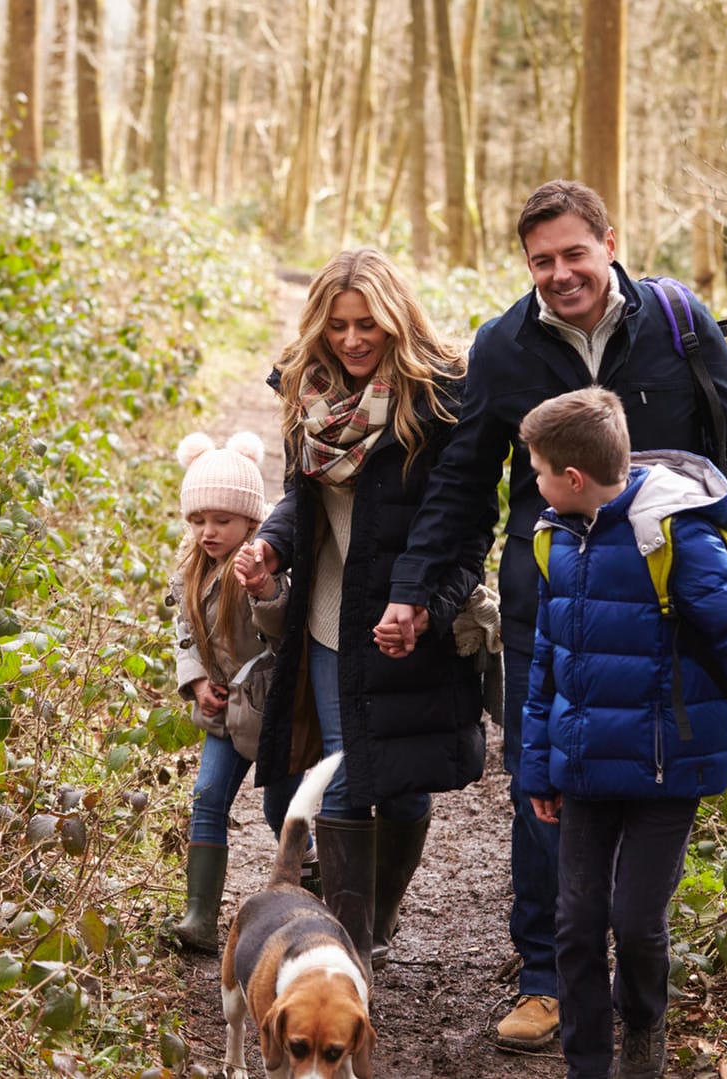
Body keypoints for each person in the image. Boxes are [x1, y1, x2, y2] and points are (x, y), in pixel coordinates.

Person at [371, 179, 727, 1049]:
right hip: (547, 606)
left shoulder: (678, 325)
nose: (560, 275)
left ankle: (639, 975)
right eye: (541, 262)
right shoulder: (505, 346)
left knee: (655, 774)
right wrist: (415, 585)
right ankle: (547, 980)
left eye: (574, 255)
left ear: (609, 243)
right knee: (542, 782)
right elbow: (462, 484)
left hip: (668, 608)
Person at [516, 387, 727, 1079]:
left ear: (574, 477)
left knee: (636, 917)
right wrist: (538, 768)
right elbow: (546, 667)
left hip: (665, 766)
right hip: (586, 768)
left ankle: (645, 1027)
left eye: (536, 469)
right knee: (576, 923)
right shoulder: (556, 536)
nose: (534, 482)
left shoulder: (677, 538)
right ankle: (587, 1063)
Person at [232, 247, 489, 968]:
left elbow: (467, 530)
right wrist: (272, 549)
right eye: (338, 325)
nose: (351, 340)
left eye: (367, 324)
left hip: (408, 620)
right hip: (325, 618)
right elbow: (299, 499)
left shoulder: (439, 400)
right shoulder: (305, 394)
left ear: (395, 321)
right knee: (340, 775)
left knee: (402, 783)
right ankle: (348, 948)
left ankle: (378, 912)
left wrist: (428, 608)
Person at [166, 431, 305, 953]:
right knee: (207, 796)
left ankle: (308, 883)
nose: (208, 531)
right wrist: (197, 680)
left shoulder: (261, 564)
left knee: (281, 810)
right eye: (199, 520)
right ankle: (200, 915)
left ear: (252, 520)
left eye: (222, 521)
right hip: (225, 715)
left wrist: (264, 589)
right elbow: (185, 634)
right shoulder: (190, 571)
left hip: (271, 711)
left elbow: (280, 626)